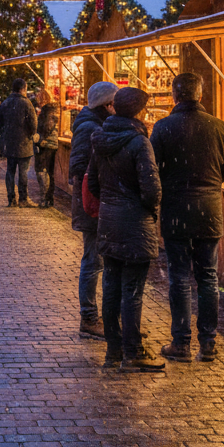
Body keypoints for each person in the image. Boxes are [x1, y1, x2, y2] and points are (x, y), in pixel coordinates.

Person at [151, 72, 224, 363]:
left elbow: (154, 171)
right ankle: (209, 342)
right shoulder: (218, 126)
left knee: (178, 278)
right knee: (208, 278)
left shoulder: (163, 128)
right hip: (209, 212)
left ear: (175, 96)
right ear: (200, 95)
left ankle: (181, 342)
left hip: (176, 212)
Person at [87, 87, 164, 372]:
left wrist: (111, 199)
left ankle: (113, 350)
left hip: (109, 221)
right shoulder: (139, 142)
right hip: (134, 224)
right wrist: (144, 206)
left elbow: (93, 183)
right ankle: (133, 352)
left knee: (111, 287)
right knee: (132, 291)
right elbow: (152, 190)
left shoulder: (101, 137)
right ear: (139, 112)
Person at [68, 81, 117, 339]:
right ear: (107, 104)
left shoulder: (94, 124)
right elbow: (78, 168)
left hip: (95, 203)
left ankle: (99, 317)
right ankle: (88, 317)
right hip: (92, 206)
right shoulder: (90, 127)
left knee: (97, 260)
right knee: (93, 260)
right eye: (114, 103)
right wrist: (97, 186)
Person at [0, 78, 37, 207]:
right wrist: (30, 135)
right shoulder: (27, 103)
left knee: (10, 171)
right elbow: (33, 124)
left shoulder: (5, 103)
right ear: (23, 89)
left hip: (9, 143)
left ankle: (11, 198)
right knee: (23, 172)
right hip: (24, 143)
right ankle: (23, 199)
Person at [34, 86, 59, 208]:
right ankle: (48, 198)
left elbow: (47, 127)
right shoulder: (51, 110)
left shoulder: (48, 111)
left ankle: (45, 198)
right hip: (51, 144)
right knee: (48, 171)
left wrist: (39, 139)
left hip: (46, 144)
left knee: (43, 171)